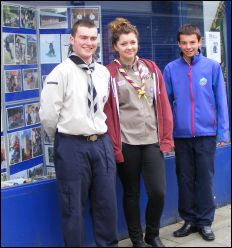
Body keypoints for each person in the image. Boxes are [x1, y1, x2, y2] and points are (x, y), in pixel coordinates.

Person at [39, 19, 118, 247]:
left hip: (101, 144)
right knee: (73, 207)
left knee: (106, 205)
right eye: (83, 37)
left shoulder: (103, 73)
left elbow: (104, 107)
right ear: (72, 40)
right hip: (72, 146)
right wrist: (66, 139)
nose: (89, 42)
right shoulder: (60, 73)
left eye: (93, 38)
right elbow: (48, 116)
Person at [104, 18, 174, 247]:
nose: (129, 47)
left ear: (138, 43)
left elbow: (163, 105)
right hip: (127, 142)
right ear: (115, 46)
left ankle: (152, 234)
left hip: (151, 139)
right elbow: (107, 112)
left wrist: (166, 138)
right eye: (124, 44)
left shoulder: (151, 68)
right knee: (131, 193)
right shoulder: (109, 74)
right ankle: (136, 239)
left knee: (158, 192)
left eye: (132, 42)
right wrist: (115, 146)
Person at [163, 24, 229, 241]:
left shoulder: (212, 67)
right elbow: (166, 104)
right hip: (181, 135)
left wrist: (223, 132)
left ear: (199, 42)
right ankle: (189, 220)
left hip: (206, 134)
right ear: (178, 44)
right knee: (184, 178)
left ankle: (205, 221)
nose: (188, 46)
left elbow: (221, 101)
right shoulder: (171, 69)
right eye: (184, 42)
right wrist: (168, 134)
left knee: (205, 179)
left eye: (192, 42)